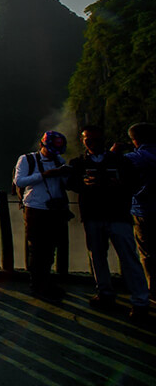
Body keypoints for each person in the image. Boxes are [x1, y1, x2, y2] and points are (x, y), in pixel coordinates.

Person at [67, 126, 148, 319]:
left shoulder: (121, 161)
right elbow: (70, 184)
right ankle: (105, 293)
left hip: (118, 214)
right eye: (88, 139)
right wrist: (83, 184)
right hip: (93, 215)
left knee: (129, 259)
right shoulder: (78, 163)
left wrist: (120, 185)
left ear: (103, 139)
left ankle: (140, 302)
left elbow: (135, 183)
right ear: (83, 140)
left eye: (95, 139)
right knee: (97, 257)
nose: (92, 142)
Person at [14, 130, 73, 300]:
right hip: (35, 208)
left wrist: (66, 174)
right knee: (37, 249)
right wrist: (45, 175)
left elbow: (64, 184)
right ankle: (36, 285)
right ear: (41, 145)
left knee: (50, 249)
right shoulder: (27, 160)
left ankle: (46, 283)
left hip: (55, 210)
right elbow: (19, 181)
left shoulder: (58, 160)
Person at [121, 122, 156, 302]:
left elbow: (115, 164)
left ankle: (152, 290)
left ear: (135, 140)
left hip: (143, 210)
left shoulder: (136, 157)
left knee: (147, 252)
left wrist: (114, 151)